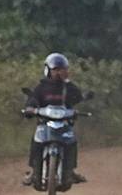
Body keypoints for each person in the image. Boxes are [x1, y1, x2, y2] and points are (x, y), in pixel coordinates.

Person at [22, 53, 87, 185]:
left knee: (72, 143)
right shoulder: (41, 87)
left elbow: (78, 99)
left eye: (62, 69)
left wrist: (77, 108)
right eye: (55, 69)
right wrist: (30, 108)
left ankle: (70, 171)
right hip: (45, 124)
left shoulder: (69, 87)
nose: (59, 73)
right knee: (36, 143)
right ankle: (34, 171)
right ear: (48, 70)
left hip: (64, 124)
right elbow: (33, 99)